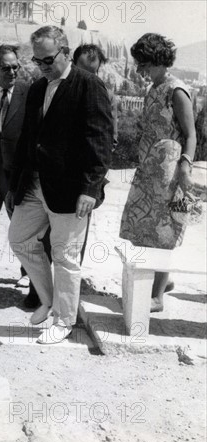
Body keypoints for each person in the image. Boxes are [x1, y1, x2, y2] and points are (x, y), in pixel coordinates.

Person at [7, 26, 113, 344]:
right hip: (35, 184)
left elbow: (100, 140)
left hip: (70, 189)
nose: (43, 66)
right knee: (19, 239)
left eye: (49, 60)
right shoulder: (39, 87)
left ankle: (64, 320)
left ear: (66, 52)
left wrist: (91, 188)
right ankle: (51, 301)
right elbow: (28, 138)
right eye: (38, 61)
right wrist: (15, 185)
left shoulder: (89, 86)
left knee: (65, 257)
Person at [119, 33, 196, 312]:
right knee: (144, 228)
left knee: (163, 231)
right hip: (149, 167)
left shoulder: (177, 90)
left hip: (169, 170)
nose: (140, 71)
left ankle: (157, 297)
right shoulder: (153, 88)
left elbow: (191, 135)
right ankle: (160, 282)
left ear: (159, 61)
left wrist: (185, 170)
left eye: (144, 65)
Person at [0, 44, 46, 308]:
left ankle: (29, 276)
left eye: (16, 67)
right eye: (6, 68)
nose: (12, 72)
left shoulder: (29, 93)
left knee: (25, 230)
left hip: (18, 175)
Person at [73, 43, 118, 148]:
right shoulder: (62, 89)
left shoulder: (107, 95)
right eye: (83, 72)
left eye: (92, 73)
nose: (88, 78)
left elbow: (112, 135)